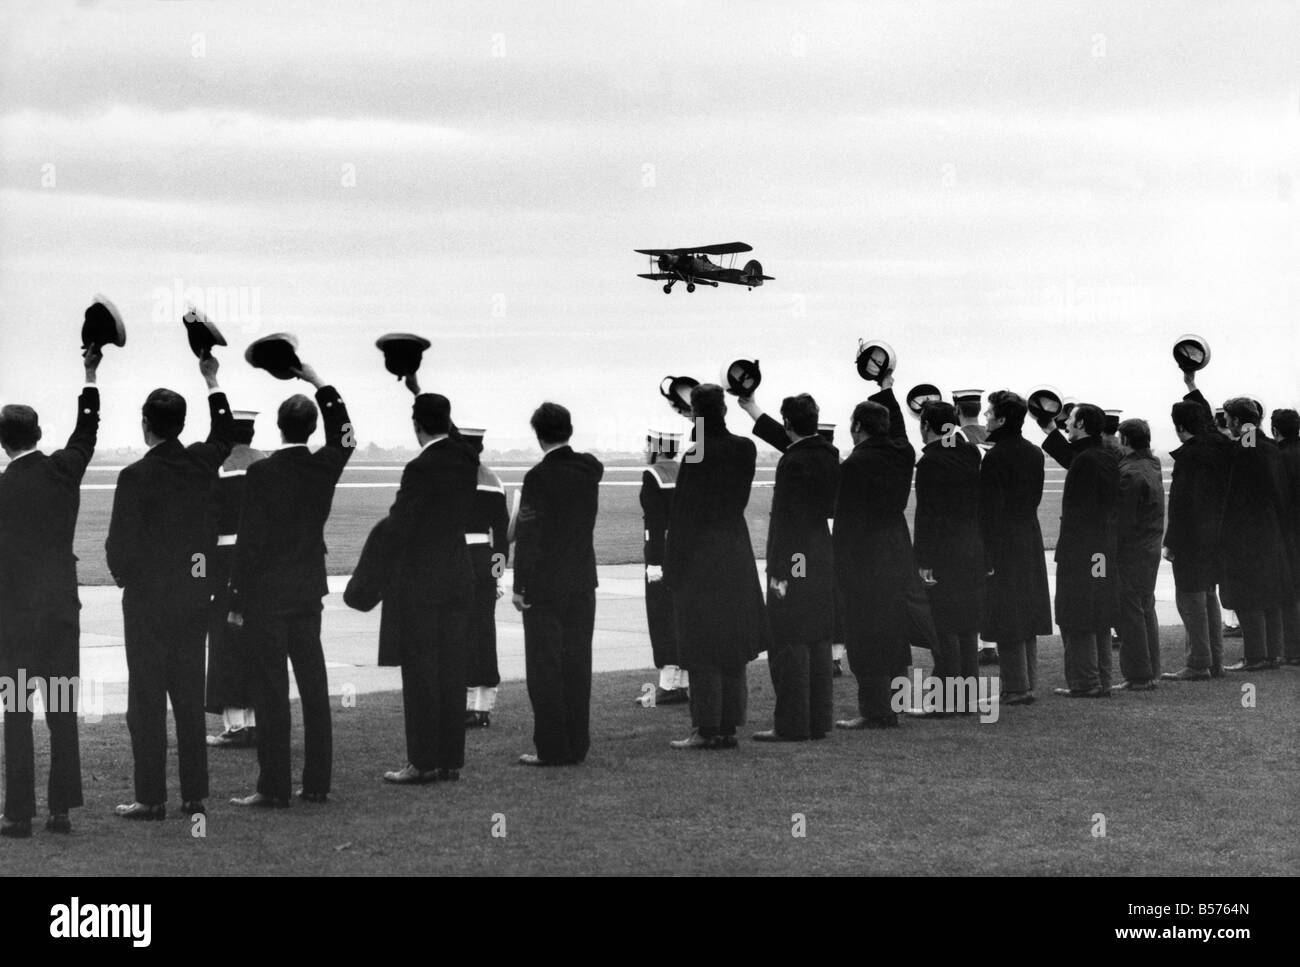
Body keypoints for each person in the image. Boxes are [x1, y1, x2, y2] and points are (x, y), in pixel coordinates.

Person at [106, 353, 234, 820]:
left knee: (146, 703)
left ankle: (150, 797)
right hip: (193, 597)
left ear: (146, 425)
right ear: (180, 425)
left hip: (147, 602)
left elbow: (118, 547)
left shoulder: (134, 476)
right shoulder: (201, 462)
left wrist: (130, 583)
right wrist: (212, 379)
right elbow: (224, 433)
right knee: (187, 699)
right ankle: (194, 795)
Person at [227, 363, 354, 808]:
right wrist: (321, 382)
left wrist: (237, 597)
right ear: (311, 426)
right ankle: (317, 783)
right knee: (314, 688)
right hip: (306, 592)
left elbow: (249, 542)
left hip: (266, 595)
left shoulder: (262, 474)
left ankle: (274, 786)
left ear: (279, 428)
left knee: (271, 691)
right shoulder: (322, 468)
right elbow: (345, 437)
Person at [0, 346, 101, 838]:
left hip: (16, 623)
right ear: (39, 436)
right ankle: (60, 810)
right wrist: (90, 372)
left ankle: (17, 814)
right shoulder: (64, 471)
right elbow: (87, 430)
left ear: (3, 443)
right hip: (61, 614)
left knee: (16, 715)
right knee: (62, 714)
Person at [368, 388, 478, 784]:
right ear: (447, 422)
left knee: (420, 675)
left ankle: (422, 761)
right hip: (457, 575)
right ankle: (449, 760)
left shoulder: (419, 469)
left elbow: (400, 526)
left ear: (416, 427)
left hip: (421, 582)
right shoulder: (466, 459)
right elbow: (461, 441)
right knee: (452, 671)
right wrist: (418, 389)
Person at [666, 385, 769, 748]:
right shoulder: (745, 448)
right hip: (735, 548)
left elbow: (683, 514)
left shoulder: (696, 454)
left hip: (701, 555)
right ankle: (728, 726)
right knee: (732, 641)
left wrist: (673, 565)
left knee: (703, 643)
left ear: (697, 413)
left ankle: (706, 727)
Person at [833, 374, 936, 729]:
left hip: (862, 557)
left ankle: (874, 710)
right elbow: (902, 437)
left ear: (857, 427)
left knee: (864, 637)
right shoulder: (903, 454)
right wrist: (886, 386)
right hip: (896, 550)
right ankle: (895, 704)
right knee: (893, 634)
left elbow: (841, 516)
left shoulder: (854, 465)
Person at [737, 390, 840, 741]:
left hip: (796, 559)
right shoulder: (827, 453)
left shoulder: (795, 462)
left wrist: (785, 574)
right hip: (821, 556)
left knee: (790, 638)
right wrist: (753, 410)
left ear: (788, 424)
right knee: (819, 638)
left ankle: (792, 724)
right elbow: (796, 443)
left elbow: (791, 523)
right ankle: (818, 720)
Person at [514, 402, 604, 765]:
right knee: (578, 664)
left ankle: (552, 748)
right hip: (582, 581)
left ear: (538, 435)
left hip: (546, 585)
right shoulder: (589, 468)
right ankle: (577, 745)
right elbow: (592, 462)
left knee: (545, 669)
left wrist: (521, 586)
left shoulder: (537, 478)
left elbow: (529, 536)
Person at [1038, 403, 1119, 698]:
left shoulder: (1086, 460)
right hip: (1102, 549)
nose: (1066, 424)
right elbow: (1074, 457)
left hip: (1081, 550)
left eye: (1070, 420)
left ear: (1082, 423)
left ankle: (1085, 681)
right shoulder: (1105, 455)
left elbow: (1079, 511)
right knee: (1098, 611)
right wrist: (1048, 430)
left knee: (1077, 613)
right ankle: (1102, 678)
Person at [979, 391, 1053, 705]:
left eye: (990, 413)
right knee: (1027, 610)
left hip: (1005, 539)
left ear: (1002, 418)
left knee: (1008, 613)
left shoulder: (996, 457)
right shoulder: (1034, 452)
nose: (985, 418)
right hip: (1029, 534)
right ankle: (1027, 683)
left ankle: (1016, 687)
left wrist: (988, 553)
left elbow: (990, 510)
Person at [914, 401, 984, 706]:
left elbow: (927, 516)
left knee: (945, 625)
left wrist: (923, 560)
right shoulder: (970, 453)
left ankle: (947, 700)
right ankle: (967, 697)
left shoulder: (931, 462)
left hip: (944, 551)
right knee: (968, 625)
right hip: (973, 546)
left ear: (927, 425)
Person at [1160, 390, 1232, 681]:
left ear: (1179, 427)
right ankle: (1215, 660)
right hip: (1217, 533)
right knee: (1208, 595)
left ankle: (1198, 662)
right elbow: (1212, 428)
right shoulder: (1219, 446)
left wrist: (1171, 542)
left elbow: (1181, 505)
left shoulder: (1189, 457)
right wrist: (1192, 386)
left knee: (1190, 598)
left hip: (1192, 538)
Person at [205, 410, 266, 748]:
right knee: (259, 642)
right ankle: (258, 721)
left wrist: (200, 573)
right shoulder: (268, 465)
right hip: (263, 564)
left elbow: (206, 524)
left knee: (227, 645)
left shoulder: (218, 467)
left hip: (225, 563)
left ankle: (236, 726)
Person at [1217, 396, 1291, 672]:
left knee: (1248, 596)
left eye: (1227, 418)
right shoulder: (1271, 446)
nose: (1225, 423)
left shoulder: (1248, 448)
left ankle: (1256, 656)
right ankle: (1272, 654)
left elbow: (1237, 494)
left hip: (1247, 533)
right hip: (1270, 529)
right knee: (1270, 595)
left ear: (1236, 420)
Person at [458, 427, 509, 727]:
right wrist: (498, 575)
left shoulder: (450, 477)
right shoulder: (494, 481)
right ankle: (483, 707)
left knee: (459, 634)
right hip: (484, 561)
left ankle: (465, 704)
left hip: (455, 560)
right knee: (484, 632)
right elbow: (501, 537)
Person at [1112, 419, 1165, 690]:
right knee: (1146, 608)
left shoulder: (1130, 472)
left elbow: (1124, 521)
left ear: (1124, 440)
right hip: (1150, 547)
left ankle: (1138, 674)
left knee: (1130, 612)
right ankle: (1150, 670)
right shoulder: (1152, 465)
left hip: (1132, 551)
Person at [638, 429, 689, 706]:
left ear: (657, 448)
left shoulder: (653, 475)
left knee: (661, 616)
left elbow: (654, 525)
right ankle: (682, 682)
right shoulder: (685, 471)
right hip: (686, 552)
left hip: (663, 553)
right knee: (681, 614)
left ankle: (668, 686)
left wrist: (654, 563)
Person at [954, 388, 998, 666]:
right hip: (995, 513)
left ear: (957, 408)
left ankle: (978, 642)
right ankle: (991, 642)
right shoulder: (992, 436)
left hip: (970, 514)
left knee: (969, 583)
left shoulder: (956, 437)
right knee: (992, 578)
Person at [1271, 408, 1300, 665]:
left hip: (1289, 530)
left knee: (1290, 593)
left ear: (1275, 430)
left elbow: (1279, 498)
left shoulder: (1280, 458)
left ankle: (1293, 650)